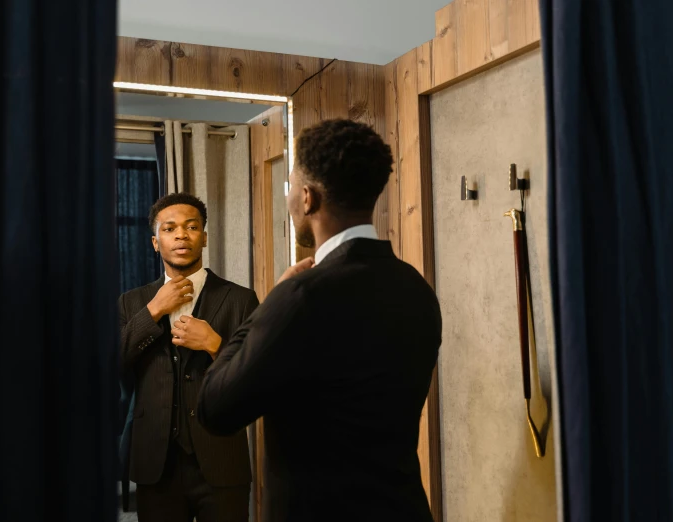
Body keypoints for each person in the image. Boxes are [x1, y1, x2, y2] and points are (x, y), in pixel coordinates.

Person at [195, 119, 442, 522]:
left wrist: (268, 305)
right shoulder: (416, 289)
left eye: (290, 187)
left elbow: (215, 408)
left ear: (307, 198)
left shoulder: (300, 297)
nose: (289, 197)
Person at [118, 192, 258, 522]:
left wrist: (215, 345)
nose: (181, 234)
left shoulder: (240, 299)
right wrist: (152, 311)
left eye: (191, 226)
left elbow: (257, 379)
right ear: (155, 242)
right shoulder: (131, 302)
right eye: (170, 228)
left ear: (204, 237)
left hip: (222, 460)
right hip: (156, 464)